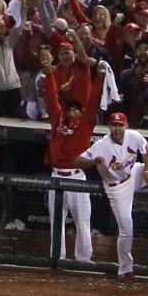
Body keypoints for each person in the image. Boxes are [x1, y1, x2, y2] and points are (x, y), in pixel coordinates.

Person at [75, 112, 148, 278]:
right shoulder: (101, 145)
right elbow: (77, 161)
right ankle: (126, 269)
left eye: (120, 125)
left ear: (126, 126)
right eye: (114, 125)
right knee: (127, 230)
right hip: (117, 188)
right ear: (109, 127)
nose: (117, 128)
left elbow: (146, 148)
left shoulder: (133, 136)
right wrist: (92, 162)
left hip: (134, 173)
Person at [45, 59, 104, 263]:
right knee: (56, 222)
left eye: (76, 109)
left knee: (83, 222)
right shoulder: (57, 123)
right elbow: (52, 99)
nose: (72, 112)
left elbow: (94, 102)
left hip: (77, 177)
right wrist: (49, 75)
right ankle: (57, 258)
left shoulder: (85, 125)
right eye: (69, 109)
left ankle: (84, 259)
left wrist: (101, 77)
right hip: (56, 177)